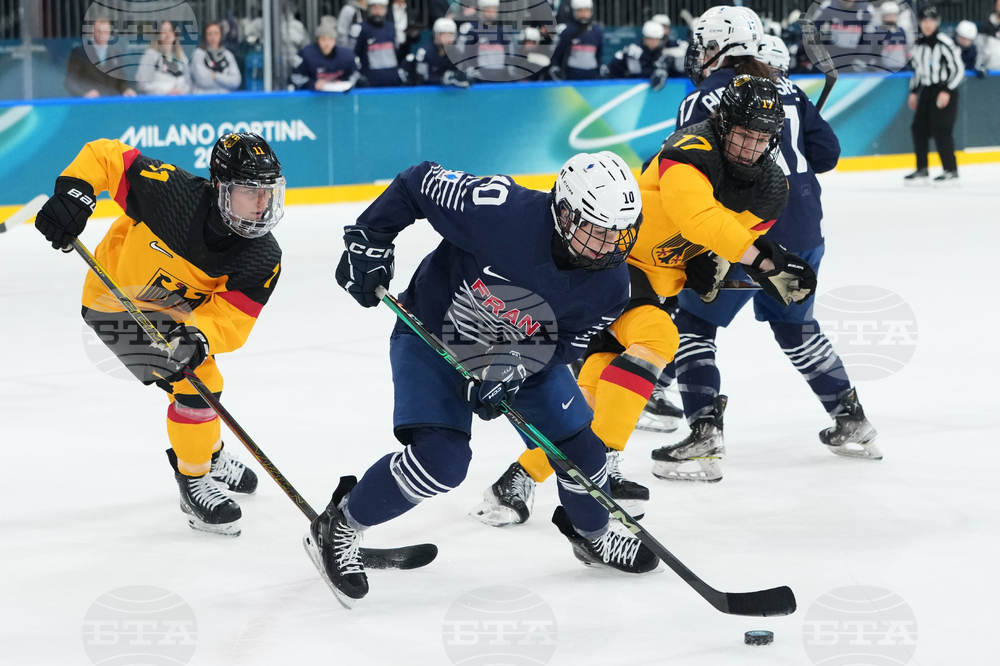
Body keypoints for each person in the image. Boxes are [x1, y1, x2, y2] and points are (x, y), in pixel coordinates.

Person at [303, 153, 656, 608]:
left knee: (583, 452)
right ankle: (341, 525)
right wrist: (371, 239)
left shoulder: (612, 286)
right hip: (435, 334)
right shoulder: (500, 210)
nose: (609, 247)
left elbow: (568, 343)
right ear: (564, 213)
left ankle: (594, 535)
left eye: (619, 234)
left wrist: (516, 366)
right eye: (597, 230)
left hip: (522, 353)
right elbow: (417, 183)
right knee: (442, 461)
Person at [474, 73, 813, 525]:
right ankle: (606, 466)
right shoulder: (689, 148)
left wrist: (713, 268)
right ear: (723, 122)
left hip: (652, 290)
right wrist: (763, 262)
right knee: (658, 337)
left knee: (590, 400)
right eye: (743, 133)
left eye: (761, 138)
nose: (750, 146)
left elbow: (720, 245)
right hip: (608, 264)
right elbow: (699, 220)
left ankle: (515, 480)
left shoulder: (773, 192)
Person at [647, 35, 879, 485]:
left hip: (745, 231)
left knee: (694, 323)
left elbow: (680, 172)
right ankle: (851, 419)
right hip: (806, 223)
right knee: (796, 325)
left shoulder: (710, 96)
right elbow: (827, 155)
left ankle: (703, 434)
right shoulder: (787, 89)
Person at [33, 132, 285, 537]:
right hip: (114, 301)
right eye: (249, 192)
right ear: (221, 188)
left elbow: (233, 316)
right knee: (199, 384)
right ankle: (194, 478)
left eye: (268, 193)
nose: (262, 205)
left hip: (177, 320)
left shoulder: (262, 256)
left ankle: (206, 451)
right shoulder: (173, 195)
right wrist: (76, 195)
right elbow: (105, 155)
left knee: (199, 385)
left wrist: (198, 335)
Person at [904, 6, 964, 186]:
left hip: (945, 90)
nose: (928, 24)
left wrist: (947, 90)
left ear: (936, 22)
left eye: (931, 20)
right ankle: (922, 169)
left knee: (941, 130)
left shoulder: (944, 42)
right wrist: (914, 92)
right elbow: (918, 71)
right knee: (918, 128)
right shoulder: (919, 44)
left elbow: (958, 69)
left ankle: (950, 170)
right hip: (927, 91)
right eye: (924, 21)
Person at [65, 16, 137, 98]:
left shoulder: (116, 53)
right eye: (99, 31)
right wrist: (84, 94)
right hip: (88, 105)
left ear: (110, 32)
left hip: (111, 103)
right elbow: (70, 81)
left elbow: (120, 81)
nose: (103, 35)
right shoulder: (79, 52)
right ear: (92, 31)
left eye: (106, 32)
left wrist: (126, 90)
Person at [291, 17, 361, 91]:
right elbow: (296, 77)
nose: (327, 43)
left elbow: (356, 74)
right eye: (323, 39)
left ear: (334, 40)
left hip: (340, 99)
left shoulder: (347, 56)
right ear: (318, 40)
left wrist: (344, 81)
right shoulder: (305, 54)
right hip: (313, 100)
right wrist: (312, 84)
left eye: (330, 39)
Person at [402, 17, 470, 87]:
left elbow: (466, 71)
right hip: (426, 93)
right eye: (443, 35)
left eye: (450, 35)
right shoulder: (425, 53)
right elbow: (422, 78)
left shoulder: (456, 53)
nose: (447, 39)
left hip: (449, 95)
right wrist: (442, 79)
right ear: (436, 35)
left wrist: (465, 77)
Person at [606, 20, 669, 91]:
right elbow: (636, 73)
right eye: (650, 39)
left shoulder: (662, 49)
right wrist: (655, 71)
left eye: (656, 39)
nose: (653, 42)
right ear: (644, 38)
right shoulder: (634, 50)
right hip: (616, 78)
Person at [550, 0, 603, 80]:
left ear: (591, 11)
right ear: (574, 12)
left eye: (586, 10)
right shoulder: (566, 30)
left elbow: (598, 54)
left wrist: (600, 67)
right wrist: (555, 67)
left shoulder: (597, 30)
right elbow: (557, 53)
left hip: (592, 73)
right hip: (571, 74)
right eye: (580, 11)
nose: (583, 14)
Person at [353, 0, 402, 87]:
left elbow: (396, 50)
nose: (378, 11)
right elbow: (354, 53)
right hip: (370, 81)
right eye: (374, 7)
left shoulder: (391, 27)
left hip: (392, 79)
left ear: (385, 9)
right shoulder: (361, 27)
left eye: (381, 8)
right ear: (369, 9)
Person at [135, 19, 190, 95]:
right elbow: (142, 84)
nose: (167, 34)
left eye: (170, 31)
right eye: (164, 31)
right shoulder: (151, 54)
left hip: (180, 101)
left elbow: (188, 82)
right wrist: (166, 91)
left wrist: (182, 91)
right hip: (159, 102)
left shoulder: (181, 56)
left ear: (175, 34)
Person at [189, 22, 242, 94]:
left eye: (216, 33)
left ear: (221, 35)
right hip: (203, 98)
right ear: (205, 36)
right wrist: (225, 82)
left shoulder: (228, 55)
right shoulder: (198, 54)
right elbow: (203, 80)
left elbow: (236, 81)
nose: (213, 37)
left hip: (224, 99)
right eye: (209, 34)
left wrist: (216, 76)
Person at [871, 1, 909, 71]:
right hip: (885, 70)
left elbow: (905, 49)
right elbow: (874, 51)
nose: (892, 18)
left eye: (894, 15)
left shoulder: (901, 31)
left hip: (901, 68)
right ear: (883, 16)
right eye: (889, 15)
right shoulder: (879, 32)